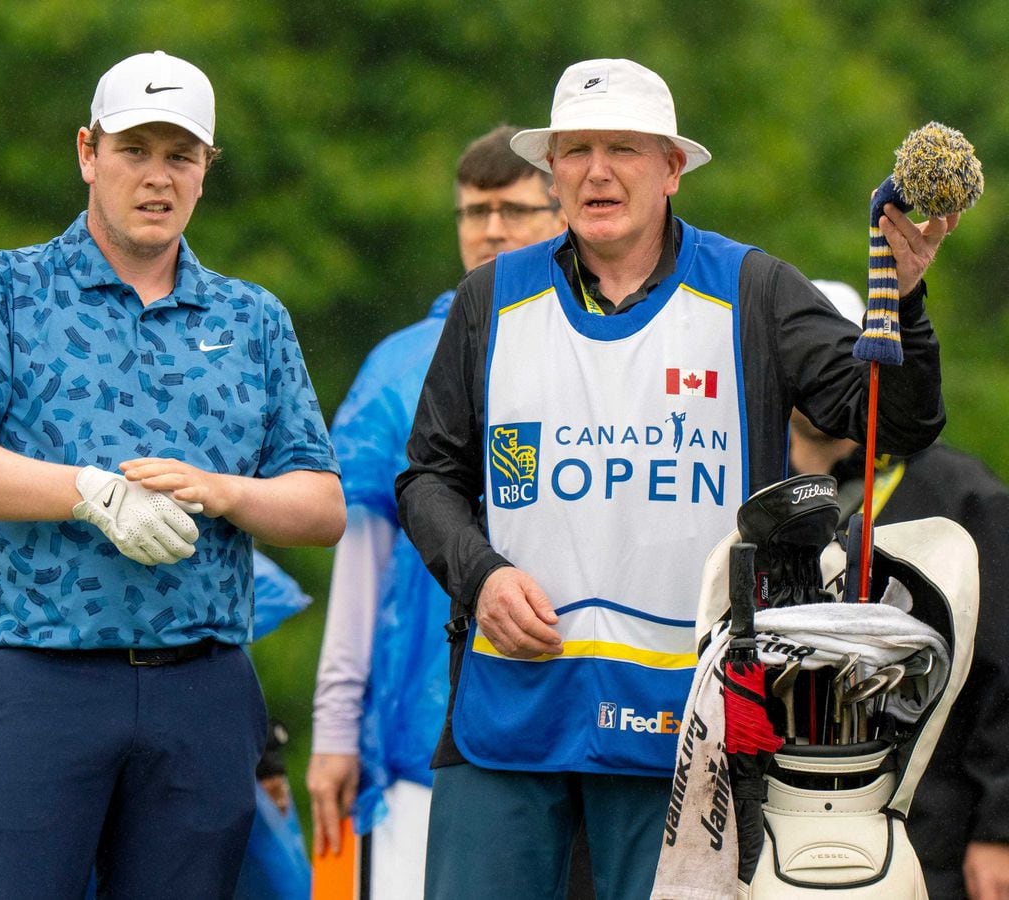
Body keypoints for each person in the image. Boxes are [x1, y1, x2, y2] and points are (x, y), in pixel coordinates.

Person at [395, 58, 960, 898]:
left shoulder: (752, 288)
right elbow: (427, 480)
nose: (597, 170)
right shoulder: (488, 300)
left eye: (623, 147)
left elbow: (893, 420)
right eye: (575, 149)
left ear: (671, 168)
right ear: (551, 173)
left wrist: (903, 304)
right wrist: (480, 576)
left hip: (688, 723)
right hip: (509, 714)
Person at [0, 50, 344, 900]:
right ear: (87, 153)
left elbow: (320, 506)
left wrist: (226, 493)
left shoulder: (252, 317)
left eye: (180, 156)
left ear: (206, 171)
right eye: (134, 150)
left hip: (203, 687)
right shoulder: (4, 288)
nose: (156, 177)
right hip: (41, 680)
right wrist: (89, 493)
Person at [307, 125, 565, 896]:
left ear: (562, 214)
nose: (489, 229)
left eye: (514, 208)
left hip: (583, 711)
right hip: (426, 728)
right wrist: (333, 731)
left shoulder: (611, 344)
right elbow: (362, 566)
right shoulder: (398, 367)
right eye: (472, 211)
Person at [790, 280, 1009, 900]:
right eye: (802, 362)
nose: (820, 380)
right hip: (783, 819)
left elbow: (1004, 668)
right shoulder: (749, 484)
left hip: (933, 832)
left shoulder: (963, 498)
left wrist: (1000, 828)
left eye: (837, 360)